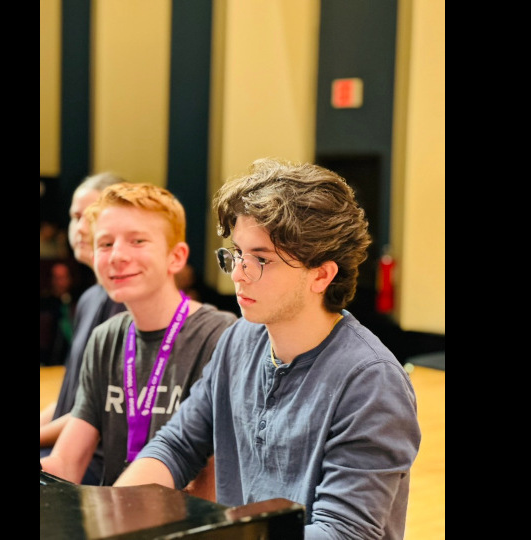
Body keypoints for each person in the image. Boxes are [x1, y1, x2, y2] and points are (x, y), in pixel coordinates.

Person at [113, 158, 421, 539]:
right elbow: (177, 446)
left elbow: (343, 532)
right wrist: (114, 516)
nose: (239, 273)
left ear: (322, 275)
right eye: (237, 254)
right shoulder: (238, 340)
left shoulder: (371, 382)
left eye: (261, 260)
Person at [40, 182, 238, 490]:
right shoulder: (106, 338)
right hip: (112, 517)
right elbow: (66, 463)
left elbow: (211, 481)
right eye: (105, 244)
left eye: (137, 241)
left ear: (176, 257)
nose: (117, 255)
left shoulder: (219, 334)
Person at [40, 171, 129, 484]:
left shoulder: (125, 304)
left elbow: (96, 415)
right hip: (60, 447)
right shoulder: (90, 297)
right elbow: (70, 399)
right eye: (73, 217)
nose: (77, 228)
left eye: (87, 217)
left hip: (93, 463)